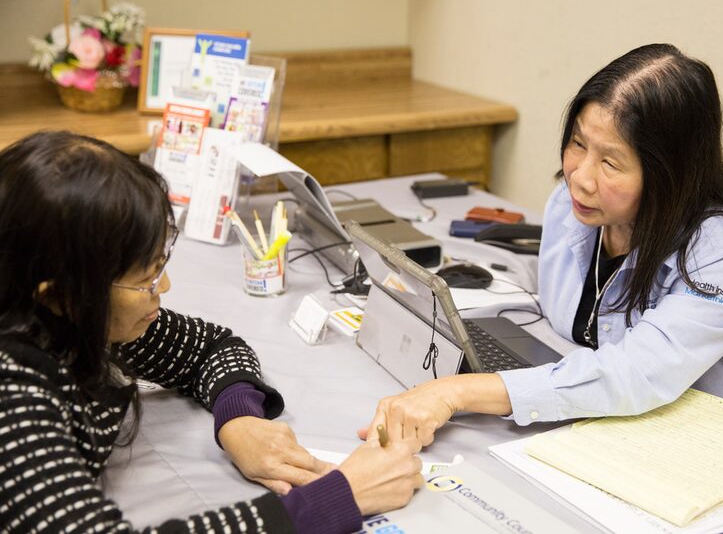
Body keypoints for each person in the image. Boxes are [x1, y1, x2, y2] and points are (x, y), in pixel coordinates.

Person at [362, 43, 723, 447]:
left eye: (610, 162)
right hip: (632, 432)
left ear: (671, 173)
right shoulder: (572, 206)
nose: (580, 177)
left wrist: (459, 392)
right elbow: (558, 319)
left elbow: (639, 372)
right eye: (577, 144)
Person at [0, 131, 423, 533]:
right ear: (61, 294)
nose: (163, 289)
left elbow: (210, 347)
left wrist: (238, 420)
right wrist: (338, 499)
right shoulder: (14, 398)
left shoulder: (71, 318)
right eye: (146, 279)